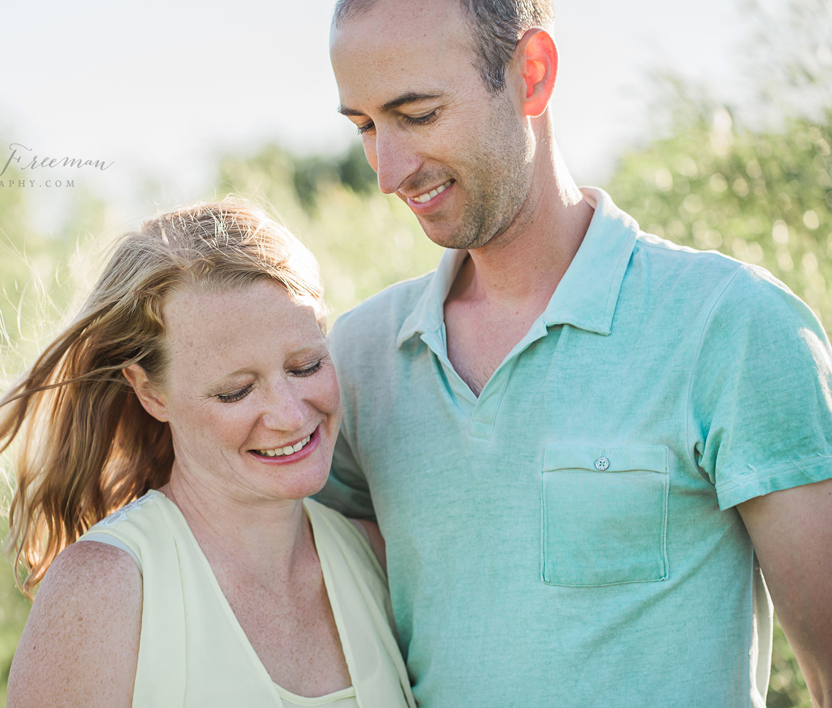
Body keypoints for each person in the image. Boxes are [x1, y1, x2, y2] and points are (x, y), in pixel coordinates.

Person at [316, 0, 832, 706]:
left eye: (419, 114)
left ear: (532, 73)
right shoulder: (359, 356)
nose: (388, 170)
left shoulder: (731, 324)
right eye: (366, 127)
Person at [0, 202, 415, 707]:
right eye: (236, 391)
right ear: (150, 394)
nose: (288, 414)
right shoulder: (103, 590)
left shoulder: (376, 557)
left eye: (306, 366)